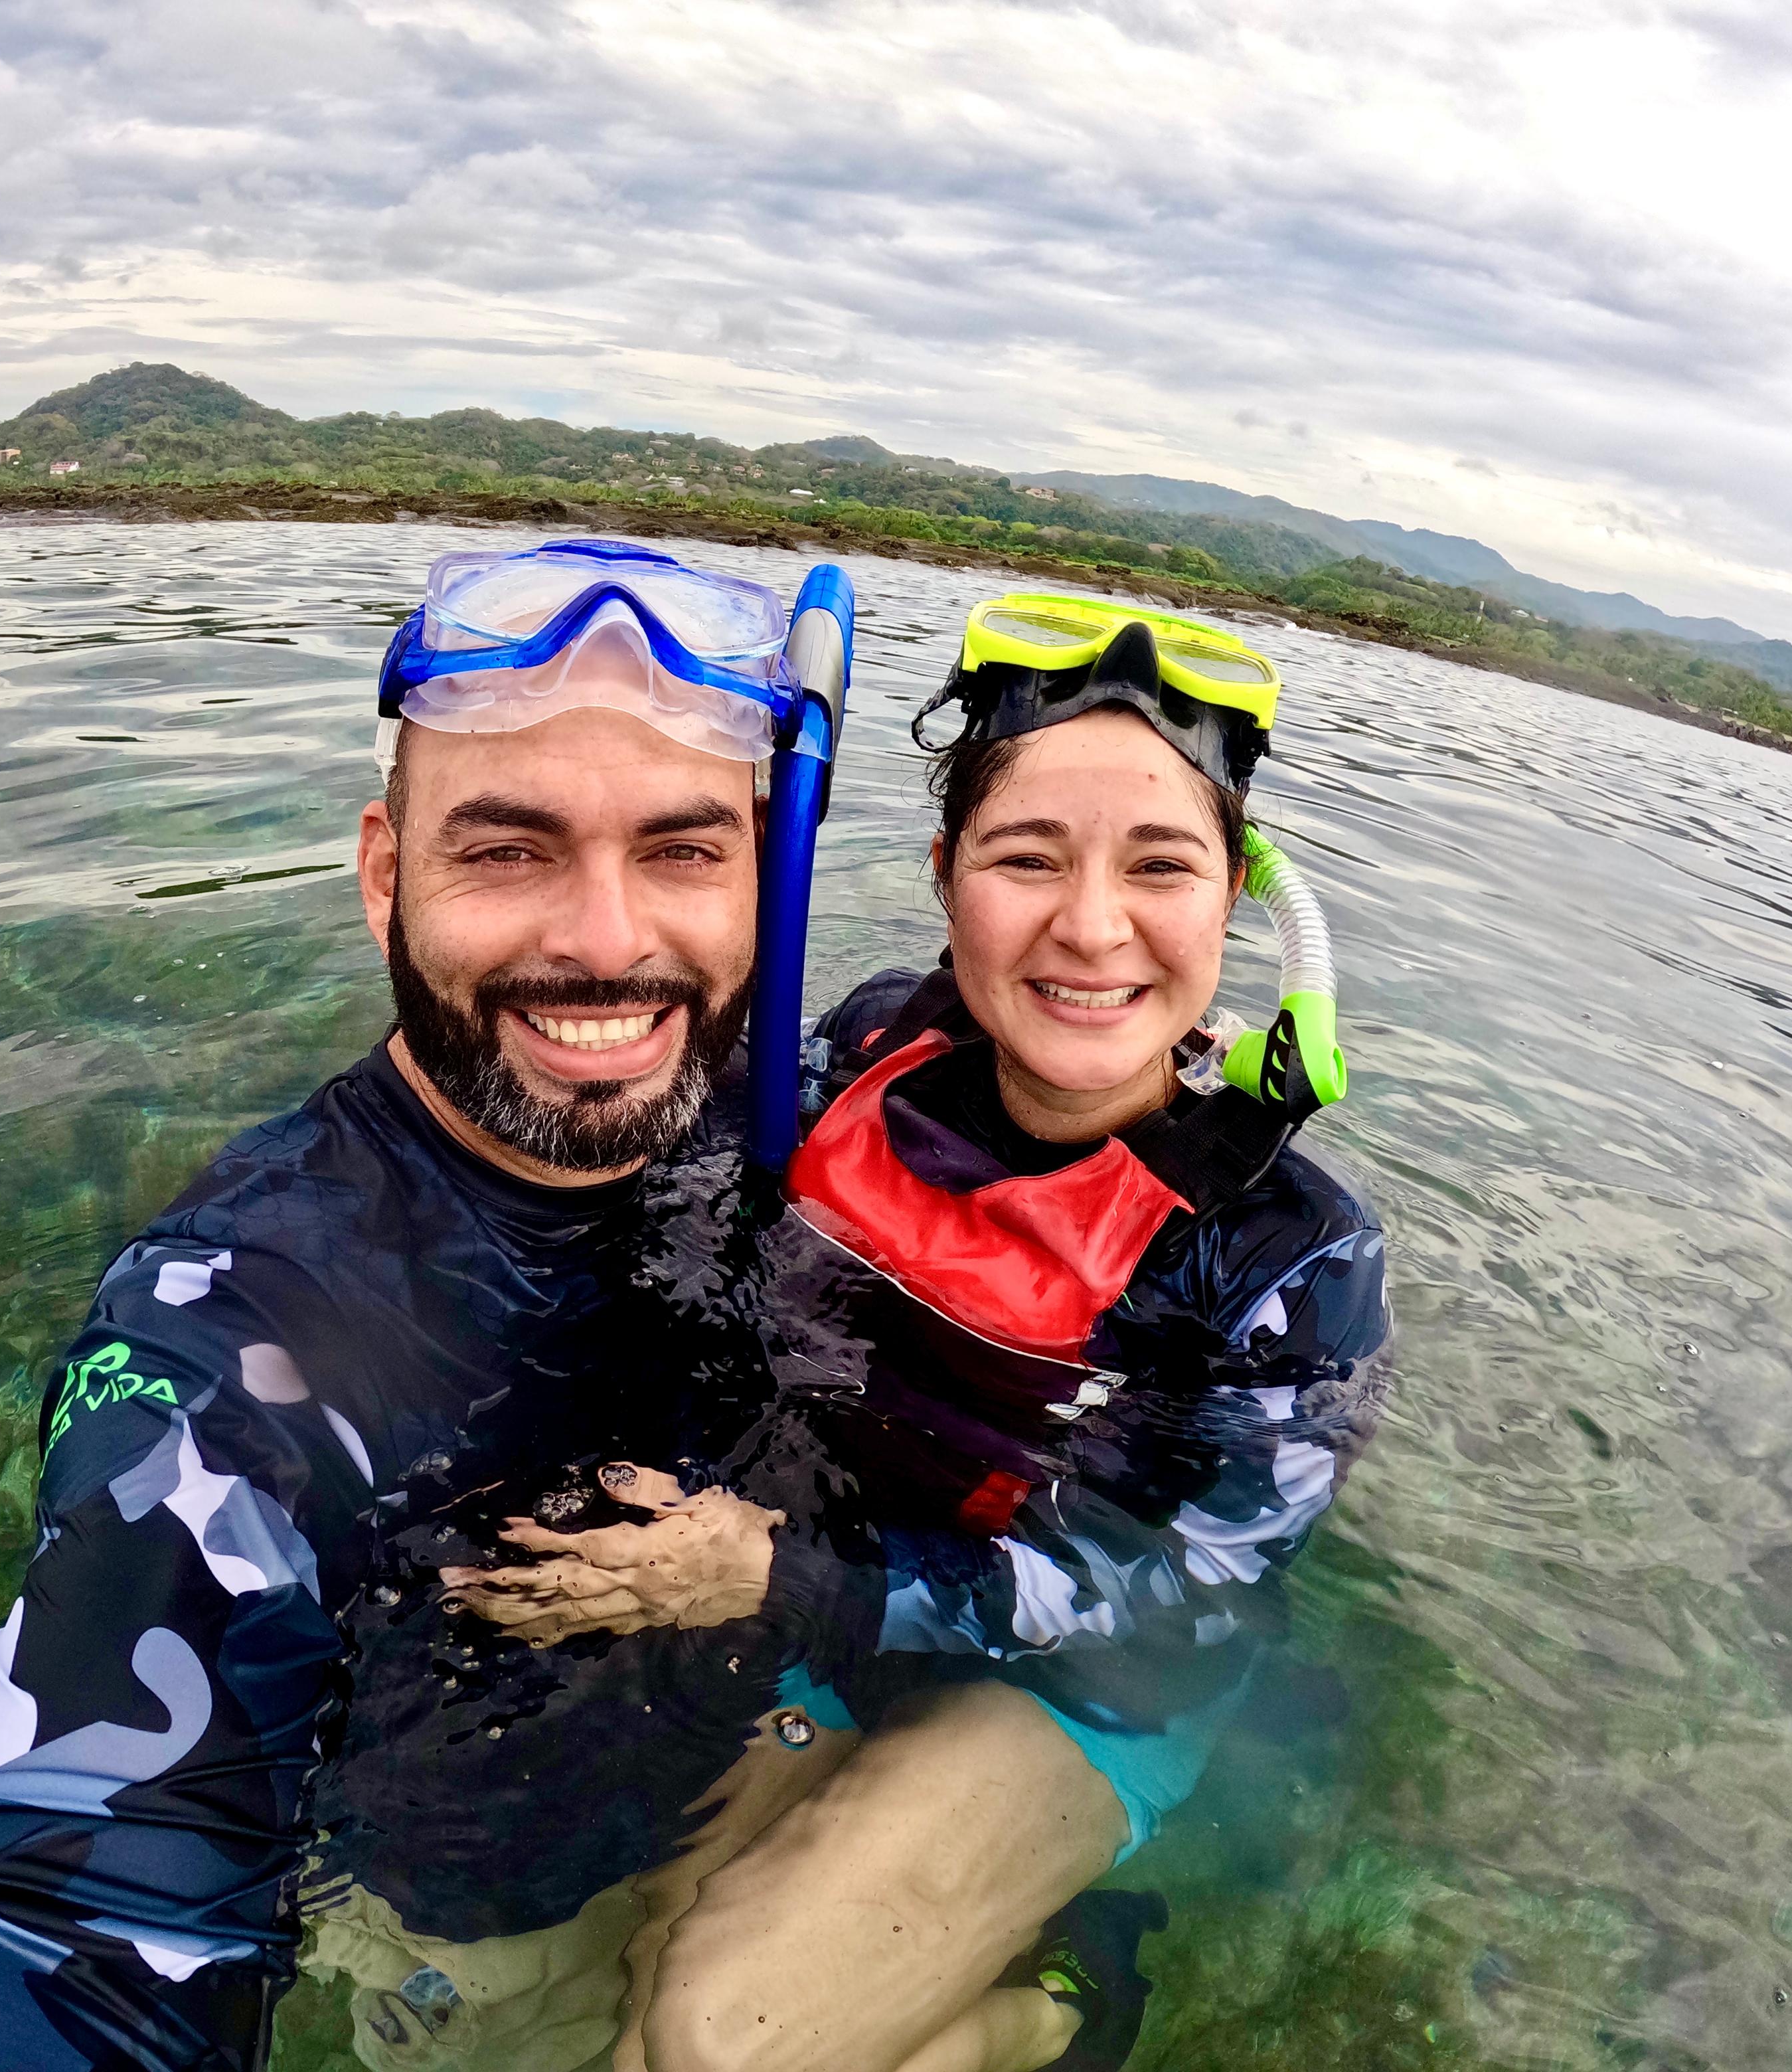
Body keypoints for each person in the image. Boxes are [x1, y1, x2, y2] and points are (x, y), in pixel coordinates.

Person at [0, 540, 875, 2072]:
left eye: (683, 851)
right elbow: (52, 1911)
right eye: (506, 850)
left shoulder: (792, 1095)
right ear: (384, 872)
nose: (606, 939)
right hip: (493, 1894)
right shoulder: (240, 1321)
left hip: (759, 1748)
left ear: (765, 876)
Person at [451, 594, 1393, 2072]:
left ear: (1233, 900)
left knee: (709, 2040)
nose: (1092, 926)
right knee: (629, 1960)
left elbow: (1187, 1593)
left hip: (1080, 1685)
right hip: (826, 1594)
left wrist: (784, 1581)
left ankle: (1069, 2004)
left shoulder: (1286, 1254)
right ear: (948, 878)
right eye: (1028, 859)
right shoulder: (856, 1055)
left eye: (1162, 866)